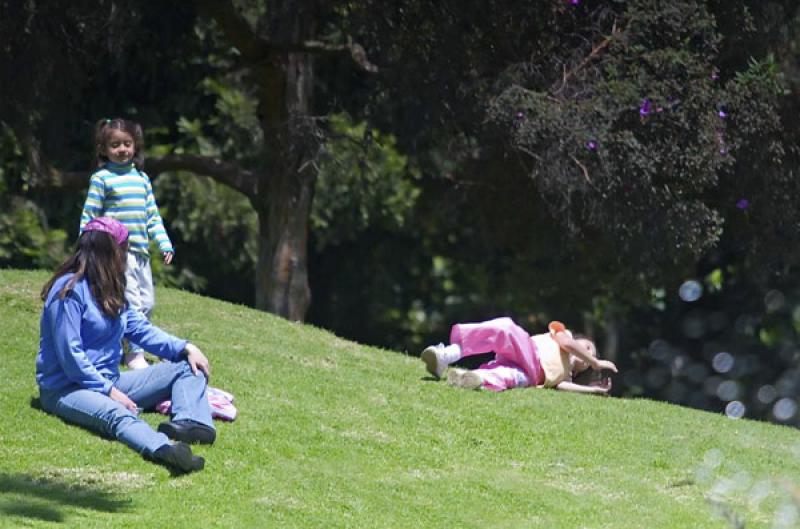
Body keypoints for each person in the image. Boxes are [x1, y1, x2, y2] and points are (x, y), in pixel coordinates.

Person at [36, 217, 215, 473]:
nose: (126, 256)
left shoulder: (110, 287)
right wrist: (110, 392)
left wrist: (185, 347)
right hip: (67, 388)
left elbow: (139, 329)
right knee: (117, 415)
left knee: (187, 366)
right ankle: (165, 450)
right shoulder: (68, 293)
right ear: (111, 252)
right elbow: (70, 357)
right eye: (124, 249)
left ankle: (190, 424)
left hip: (110, 380)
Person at [79, 118, 175, 370]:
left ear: (135, 146)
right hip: (116, 252)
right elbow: (90, 215)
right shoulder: (102, 178)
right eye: (115, 145)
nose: (122, 149)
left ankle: (140, 344)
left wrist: (165, 244)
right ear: (103, 149)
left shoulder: (142, 179)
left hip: (141, 253)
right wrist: (85, 245)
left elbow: (152, 216)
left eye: (127, 144)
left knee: (148, 303)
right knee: (132, 301)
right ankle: (134, 354)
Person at [421, 317, 617, 395]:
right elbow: (567, 344)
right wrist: (595, 361)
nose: (587, 356)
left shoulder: (566, 374)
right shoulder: (562, 334)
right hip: (527, 351)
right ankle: (445, 355)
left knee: (506, 376)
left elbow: (562, 386)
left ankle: (469, 378)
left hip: (530, 375)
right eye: (587, 348)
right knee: (504, 327)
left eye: (588, 361)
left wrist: (594, 391)